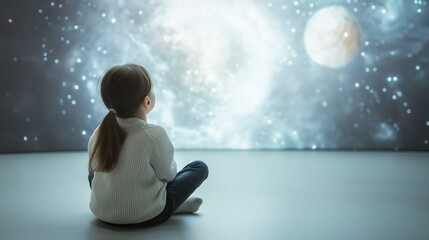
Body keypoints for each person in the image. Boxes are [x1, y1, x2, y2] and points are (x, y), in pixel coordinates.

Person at [87, 64, 208, 227]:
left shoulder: (99, 133)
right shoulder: (154, 135)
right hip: (148, 216)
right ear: (147, 101)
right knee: (199, 167)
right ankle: (171, 205)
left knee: (94, 175)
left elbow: (93, 173)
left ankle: (115, 205)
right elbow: (169, 176)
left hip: (102, 214)